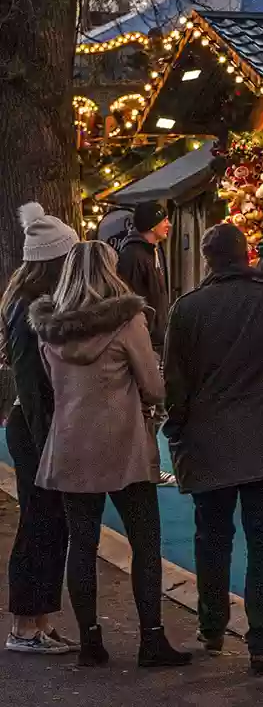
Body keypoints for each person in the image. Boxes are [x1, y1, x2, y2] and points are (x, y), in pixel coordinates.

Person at [163, 224, 263, 674]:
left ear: (207, 259)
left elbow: (173, 381)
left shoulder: (188, 309)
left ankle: (213, 628)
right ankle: (261, 640)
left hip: (209, 438)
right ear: (246, 255)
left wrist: (176, 430)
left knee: (211, 537)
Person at [31, 241, 190, 668]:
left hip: (69, 444)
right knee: (145, 541)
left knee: (80, 544)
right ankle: (151, 639)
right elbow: (154, 388)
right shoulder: (126, 321)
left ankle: (91, 642)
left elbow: (52, 385)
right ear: (109, 272)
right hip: (123, 446)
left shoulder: (50, 329)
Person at [3, 203, 77, 655]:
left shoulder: (24, 301)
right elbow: (31, 383)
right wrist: (49, 435)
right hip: (37, 429)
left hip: (34, 426)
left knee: (47, 523)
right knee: (41, 523)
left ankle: (36, 623)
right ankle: (25, 626)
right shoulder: (33, 308)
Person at [115, 200, 172, 485]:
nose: (169, 224)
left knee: (154, 406)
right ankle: (146, 469)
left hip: (155, 339)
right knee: (151, 405)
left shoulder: (153, 252)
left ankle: (147, 467)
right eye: (164, 220)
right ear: (151, 224)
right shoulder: (134, 255)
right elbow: (130, 301)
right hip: (145, 342)